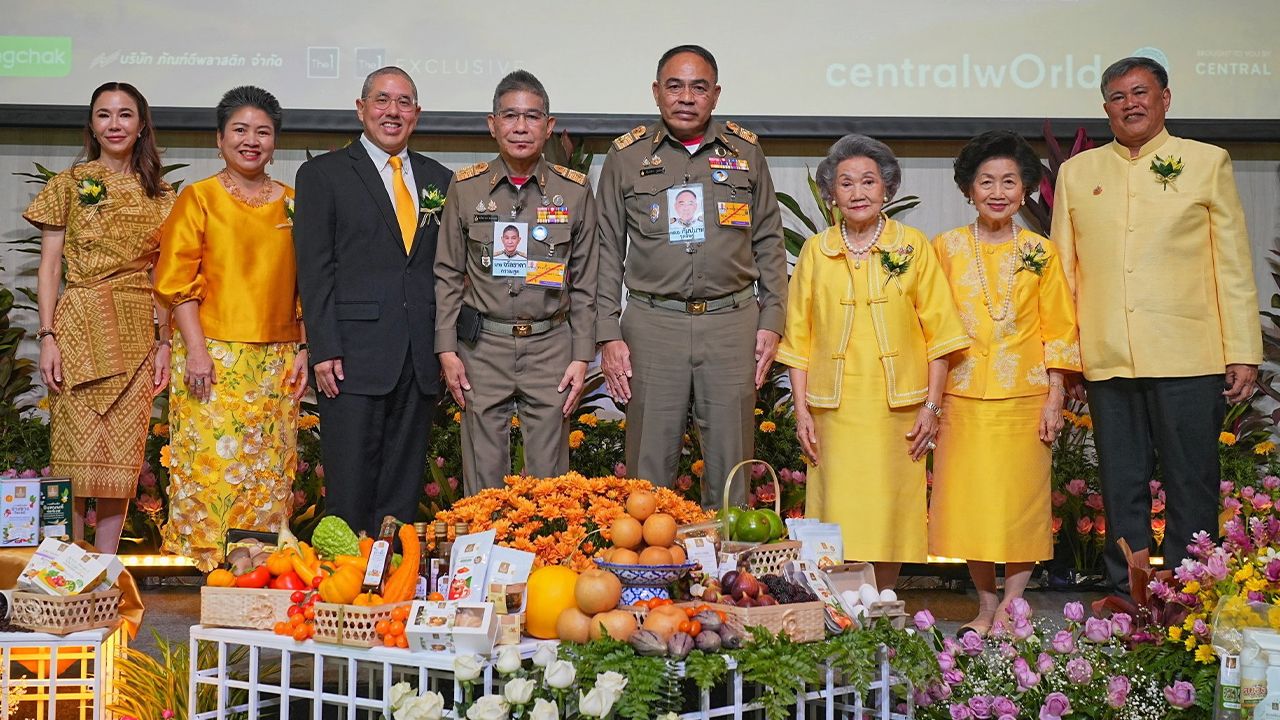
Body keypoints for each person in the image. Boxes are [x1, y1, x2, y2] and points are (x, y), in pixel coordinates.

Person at [1051, 56, 1261, 596]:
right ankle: (1128, 593)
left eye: (1141, 92)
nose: (1132, 104)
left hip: (1189, 353)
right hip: (1106, 355)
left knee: (1191, 481)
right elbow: (1063, 274)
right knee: (1121, 484)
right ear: (1105, 110)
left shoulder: (1207, 161)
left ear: (1166, 99)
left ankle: (1192, 594)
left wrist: (1243, 349)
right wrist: (1065, 359)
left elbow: (1232, 264)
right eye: (1119, 97)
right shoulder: (1079, 172)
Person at [596, 45, 787, 506]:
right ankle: (648, 572)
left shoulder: (745, 150)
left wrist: (772, 320)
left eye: (699, 87)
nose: (686, 97)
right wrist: (607, 333)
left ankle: (726, 573)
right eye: (675, 86)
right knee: (648, 468)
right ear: (657, 92)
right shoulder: (626, 156)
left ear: (715, 95)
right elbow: (604, 250)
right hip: (651, 324)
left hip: (731, 323)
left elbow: (769, 241)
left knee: (730, 465)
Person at [778, 134, 969, 589]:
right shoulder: (816, 251)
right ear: (831, 194)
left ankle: (881, 606)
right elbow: (798, 340)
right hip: (833, 411)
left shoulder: (913, 246)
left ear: (887, 189)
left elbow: (940, 335)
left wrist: (932, 407)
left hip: (898, 411)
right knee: (838, 513)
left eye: (869, 181)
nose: (858, 192)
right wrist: (802, 411)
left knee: (890, 516)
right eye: (846, 183)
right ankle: (836, 611)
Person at [928, 131, 1081, 635]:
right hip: (961, 395)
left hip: (1025, 396)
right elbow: (927, 323)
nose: (997, 191)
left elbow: (1059, 327)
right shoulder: (944, 248)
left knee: (1020, 504)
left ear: (1025, 190)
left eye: (1009, 182)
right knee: (970, 504)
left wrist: (1055, 394)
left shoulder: (1041, 251)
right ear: (968, 189)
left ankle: (1015, 604)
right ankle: (985, 603)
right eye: (986, 181)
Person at [294, 67, 452, 536]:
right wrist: (323, 348)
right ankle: (345, 592)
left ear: (417, 114)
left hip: (418, 356)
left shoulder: (438, 178)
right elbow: (314, 269)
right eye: (382, 100)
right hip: (350, 356)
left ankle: (389, 582)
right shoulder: (323, 175)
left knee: (401, 486)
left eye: (404, 103)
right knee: (349, 485)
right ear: (361, 109)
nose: (392, 111)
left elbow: (442, 271)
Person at [153, 86, 305, 571]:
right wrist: (196, 352)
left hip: (277, 358)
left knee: (268, 469)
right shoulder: (198, 198)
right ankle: (210, 572)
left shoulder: (293, 202)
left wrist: (305, 348)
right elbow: (177, 285)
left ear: (275, 142)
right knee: (213, 469)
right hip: (212, 353)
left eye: (262, 131)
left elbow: (310, 284)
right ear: (219, 139)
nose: (251, 140)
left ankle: (258, 570)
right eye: (240, 130)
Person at [24, 82, 175, 553]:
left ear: (141, 123)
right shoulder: (67, 185)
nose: (115, 124)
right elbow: (50, 266)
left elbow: (167, 276)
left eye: (125, 114)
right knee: (72, 455)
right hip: (78, 324)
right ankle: (65, 565)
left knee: (120, 458)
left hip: (136, 332)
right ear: (91, 124)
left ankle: (105, 570)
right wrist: (47, 335)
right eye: (104, 115)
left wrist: (165, 343)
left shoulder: (165, 195)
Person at [435, 70, 597, 494]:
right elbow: (448, 273)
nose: (520, 127)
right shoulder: (466, 189)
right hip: (482, 347)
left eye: (532, 117)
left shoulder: (574, 192)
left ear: (549, 126)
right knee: (483, 478)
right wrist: (446, 349)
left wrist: (582, 356)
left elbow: (585, 282)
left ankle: (547, 558)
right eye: (510, 116)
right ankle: (483, 558)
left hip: (551, 347)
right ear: (493, 124)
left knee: (550, 480)